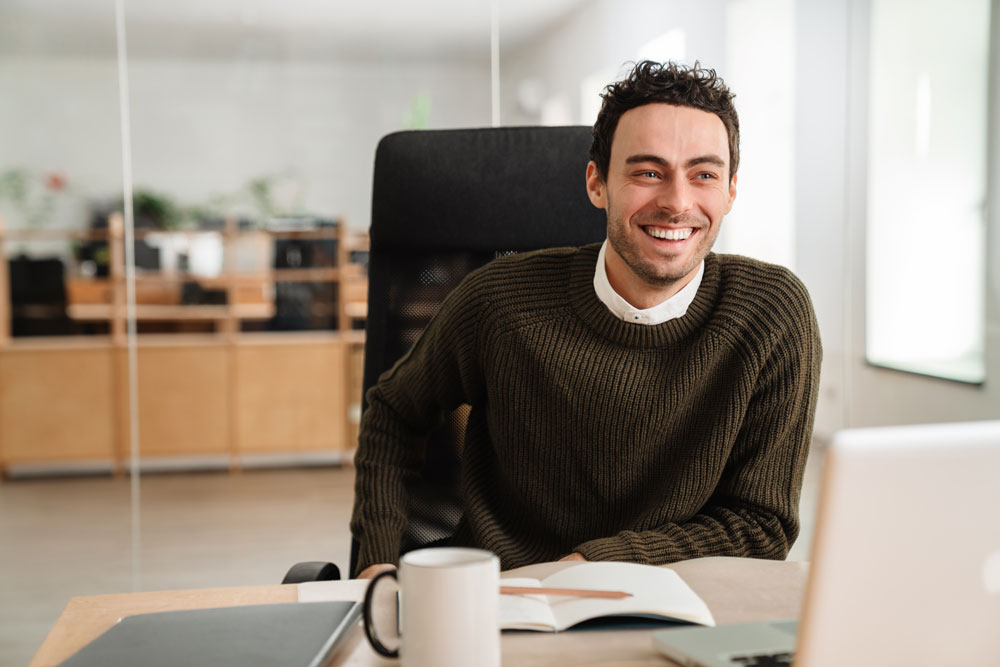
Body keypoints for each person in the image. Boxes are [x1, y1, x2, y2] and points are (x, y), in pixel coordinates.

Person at [351, 60, 822, 579]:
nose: (677, 202)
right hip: (501, 599)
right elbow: (394, 410)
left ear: (731, 191)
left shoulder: (772, 314)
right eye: (648, 172)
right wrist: (376, 563)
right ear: (597, 184)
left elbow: (760, 524)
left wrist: (588, 568)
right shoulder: (499, 300)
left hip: (678, 602)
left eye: (704, 174)